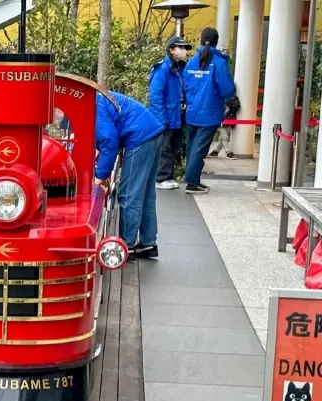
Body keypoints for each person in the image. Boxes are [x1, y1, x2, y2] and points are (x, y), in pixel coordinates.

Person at [95, 91, 164, 261]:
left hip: (139, 136)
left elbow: (108, 142)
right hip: (151, 130)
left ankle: (125, 246)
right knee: (146, 194)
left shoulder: (93, 106)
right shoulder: (95, 98)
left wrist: (100, 177)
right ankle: (148, 242)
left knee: (129, 193)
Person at [183, 27, 235, 194]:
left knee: (192, 146)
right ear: (216, 41)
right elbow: (227, 89)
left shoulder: (191, 62)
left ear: (201, 39)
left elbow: (185, 86)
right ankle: (192, 182)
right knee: (200, 148)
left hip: (192, 111)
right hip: (210, 112)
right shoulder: (219, 63)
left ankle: (193, 179)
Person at [148, 36, 193, 190]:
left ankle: (168, 176)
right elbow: (155, 95)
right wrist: (161, 118)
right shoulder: (162, 69)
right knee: (164, 147)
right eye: (181, 48)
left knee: (174, 146)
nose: (184, 51)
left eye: (185, 48)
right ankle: (161, 177)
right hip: (166, 116)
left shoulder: (180, 69)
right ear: (172, 50)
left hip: (178, 116)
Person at [208, 94, 240, 158]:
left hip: (228, 120)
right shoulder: (219, 97)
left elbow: (237, 106)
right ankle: (228, 153)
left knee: (222, 138)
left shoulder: (231, 98)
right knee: (225, 137)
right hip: (220, 121)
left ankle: (215, 152)